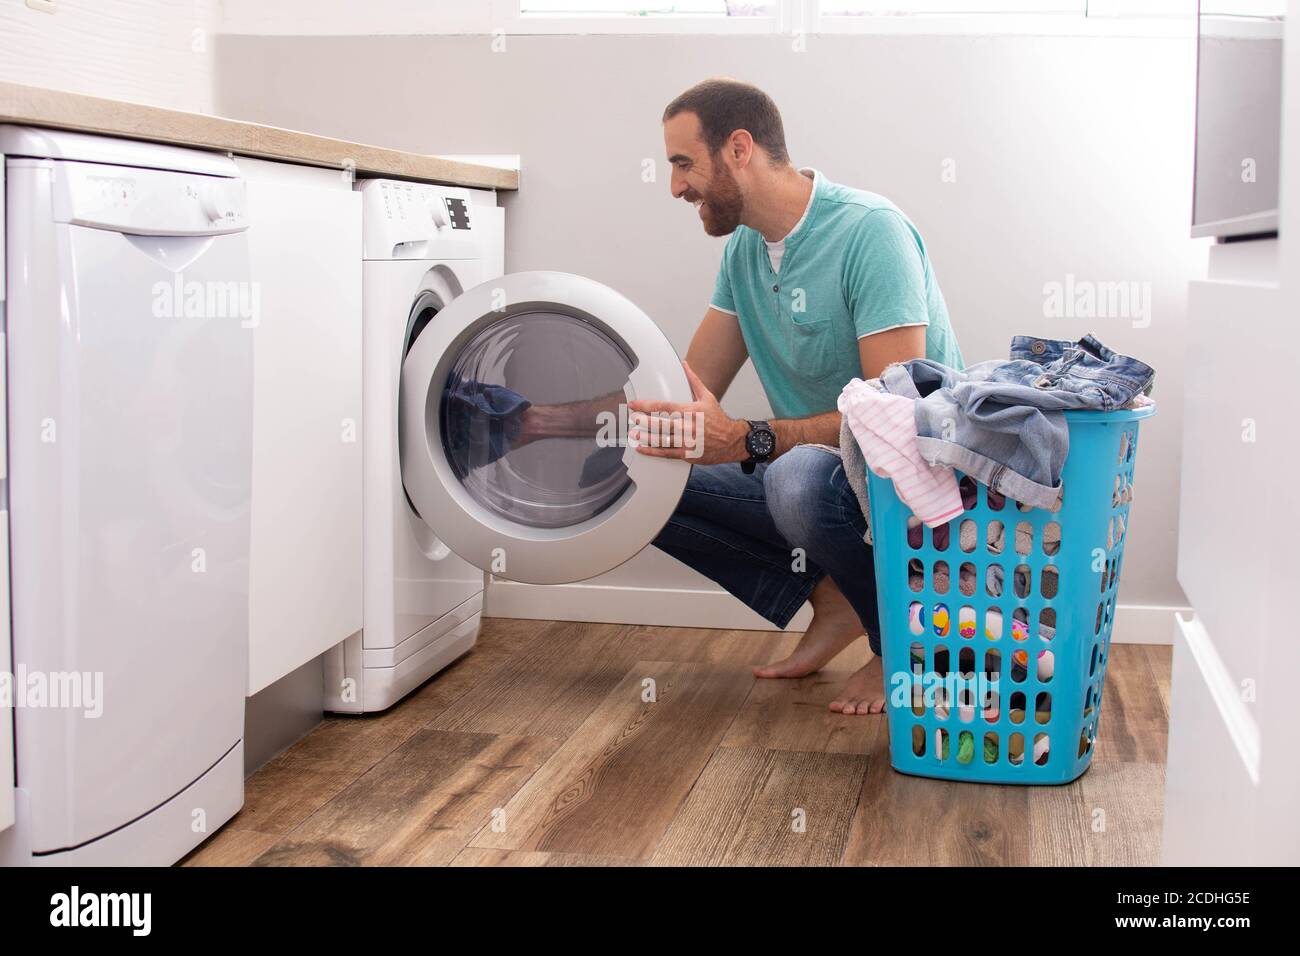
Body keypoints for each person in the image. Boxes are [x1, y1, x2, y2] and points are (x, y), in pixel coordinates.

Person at [628, 78, 964, 715]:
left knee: (797, 479)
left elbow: (892, 425)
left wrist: (747, 439)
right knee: (637, 471)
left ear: (739, 149)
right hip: (824, 479)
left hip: (910, 489)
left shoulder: (871, 233)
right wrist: (554, 420)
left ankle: (900, 646)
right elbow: (684, 392)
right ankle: (836, 599)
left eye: (682, 164)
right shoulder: (744, 254)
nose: (675, 187)